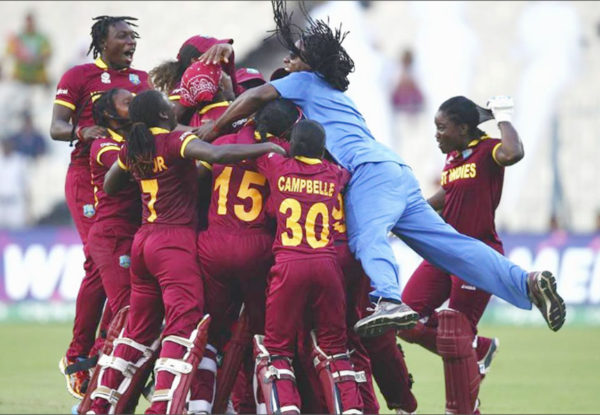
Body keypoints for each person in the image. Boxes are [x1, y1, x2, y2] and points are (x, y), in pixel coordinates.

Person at [194, 0, 566, 338]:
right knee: (452, 248)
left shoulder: (305, 82)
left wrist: (212, 129)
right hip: (394, 170)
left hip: (370, 172)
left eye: (295, 56)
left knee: (366, 235)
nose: (288, 61)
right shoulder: (335, 94)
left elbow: (255, 95)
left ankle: (388, 298)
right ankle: (526, 282)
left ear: (311, 65)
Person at [88, 89, 286, 414]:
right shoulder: (173, 142)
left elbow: (110, 185)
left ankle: (100, 404)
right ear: (165, 116)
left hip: (143, 243)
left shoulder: (133, 147)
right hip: (174, 245)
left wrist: (139, 169)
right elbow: (218, 155)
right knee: (184, 327)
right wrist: (264, 146)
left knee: (137, 331)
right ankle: (161, 408)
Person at [396, 96, 521, 414]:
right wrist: (402, 215)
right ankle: (476, 348)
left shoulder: (489, 150)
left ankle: (467, 396)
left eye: (441, 128)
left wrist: (503, 116)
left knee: (456, 333)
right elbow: (446, 194)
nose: (436, 134)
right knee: (405, 318)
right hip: (443, 252)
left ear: (463, 128)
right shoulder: (453, 157)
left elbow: (513, 152)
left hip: (477, 255)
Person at [49, 15, 150, 399]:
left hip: (130, 176)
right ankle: (82, 356)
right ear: (102, 42)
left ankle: (94, 355)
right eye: (123, 36)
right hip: (88, 174)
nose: (131, 42)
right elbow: (56, 126)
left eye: (133, 36)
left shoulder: (142, 80)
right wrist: (80, 131)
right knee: (99, 257)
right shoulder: (79, 76)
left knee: (117, 261)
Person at [193, 98, 301, 413]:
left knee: (210, 333)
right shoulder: (279, 154)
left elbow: (197, 181)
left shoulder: (224, 142)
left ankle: (200, 405)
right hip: (256, 248)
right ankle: (266, 406)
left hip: (212, 244)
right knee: (264, 335)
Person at [252, 118, 363, 414]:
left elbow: (254, 149)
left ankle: (287, 408)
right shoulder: (334, 174)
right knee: (335, 349)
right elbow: (346, 171)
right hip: (327, 267)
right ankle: (351, 408)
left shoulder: (277, 165)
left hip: (289, 265)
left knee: (276, 352)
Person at [149, 35, 238, 124]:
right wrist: (202, 131)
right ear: (196, 61)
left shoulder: (216, 76)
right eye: (216, 53)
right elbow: (164, 123)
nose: (222, 58)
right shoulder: (187, 87)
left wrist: (228, 47)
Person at [5, 12, 52, 86]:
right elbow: (8, 52)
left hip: (38, 78)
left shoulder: (41, 38)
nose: (29, 25)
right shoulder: (18, 38)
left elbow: (48, 53)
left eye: (31, 22)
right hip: (20, 77)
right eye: (28, 22)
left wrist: (36, 58)